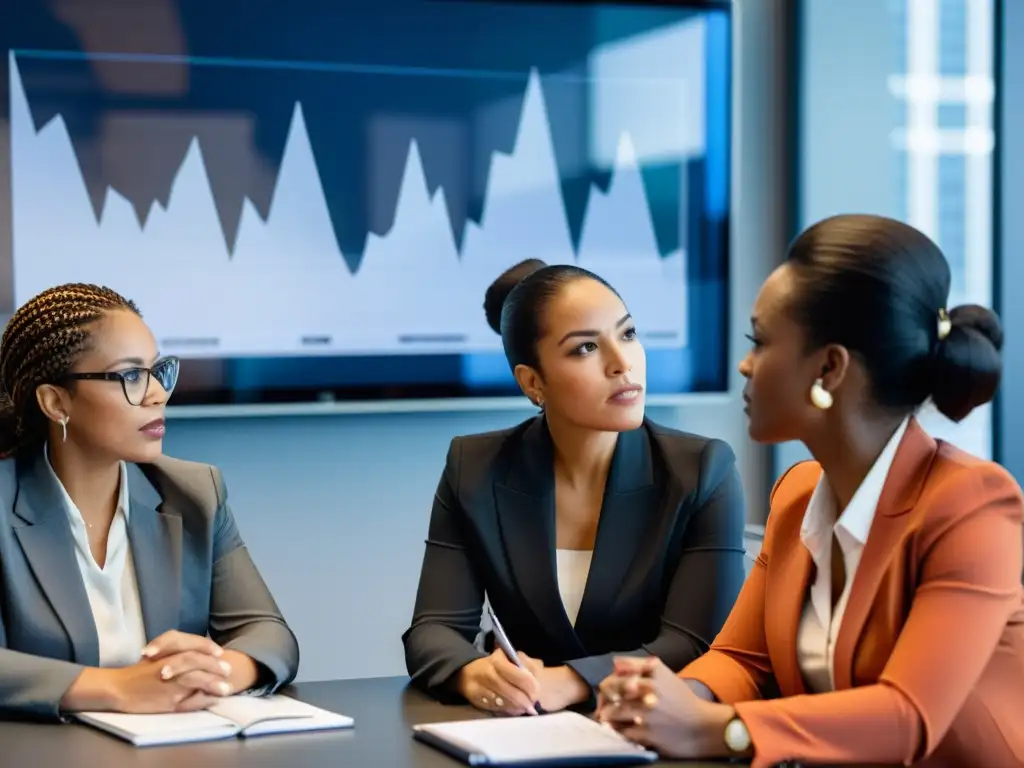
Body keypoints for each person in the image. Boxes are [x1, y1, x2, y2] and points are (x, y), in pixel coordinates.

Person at [596, 214, 1024, 767]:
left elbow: (908, 716)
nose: (745, 364)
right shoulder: (798, 494)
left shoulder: (972, 505)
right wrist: (665, 699)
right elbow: (741, 659)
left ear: (829, 368)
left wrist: (718, 729)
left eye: (761, 340)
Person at [402, 259, 748, 716]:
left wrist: (572, 681)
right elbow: (433, 629)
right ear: (532, 381)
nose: (623, 363)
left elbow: (697, 641)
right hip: (520, 733)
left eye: (627, 334)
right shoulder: (475, 467)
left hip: (655, 732)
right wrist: (474, 673)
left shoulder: (703, 469)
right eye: (585, 348)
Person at [0, 284, 299, 721]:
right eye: (131, 376)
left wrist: (215, 672)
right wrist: (115, 687)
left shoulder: (195, 493)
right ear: (56, 402)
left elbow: (269, 634)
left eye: (158, 371)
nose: (158, 393)